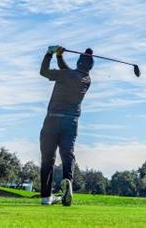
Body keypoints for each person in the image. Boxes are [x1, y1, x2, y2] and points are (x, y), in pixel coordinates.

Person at [38, 45, 93, 206]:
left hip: (52, 120)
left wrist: (49, 53)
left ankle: (46, 197)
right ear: (89, 67)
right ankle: (67, 180)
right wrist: (60, 57)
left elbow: (44, 71)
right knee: (68, 155)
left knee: (48, 158)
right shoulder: (86, 80)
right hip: (71, 122)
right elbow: (68, 73)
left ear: (78, 62)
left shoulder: (67, 75)